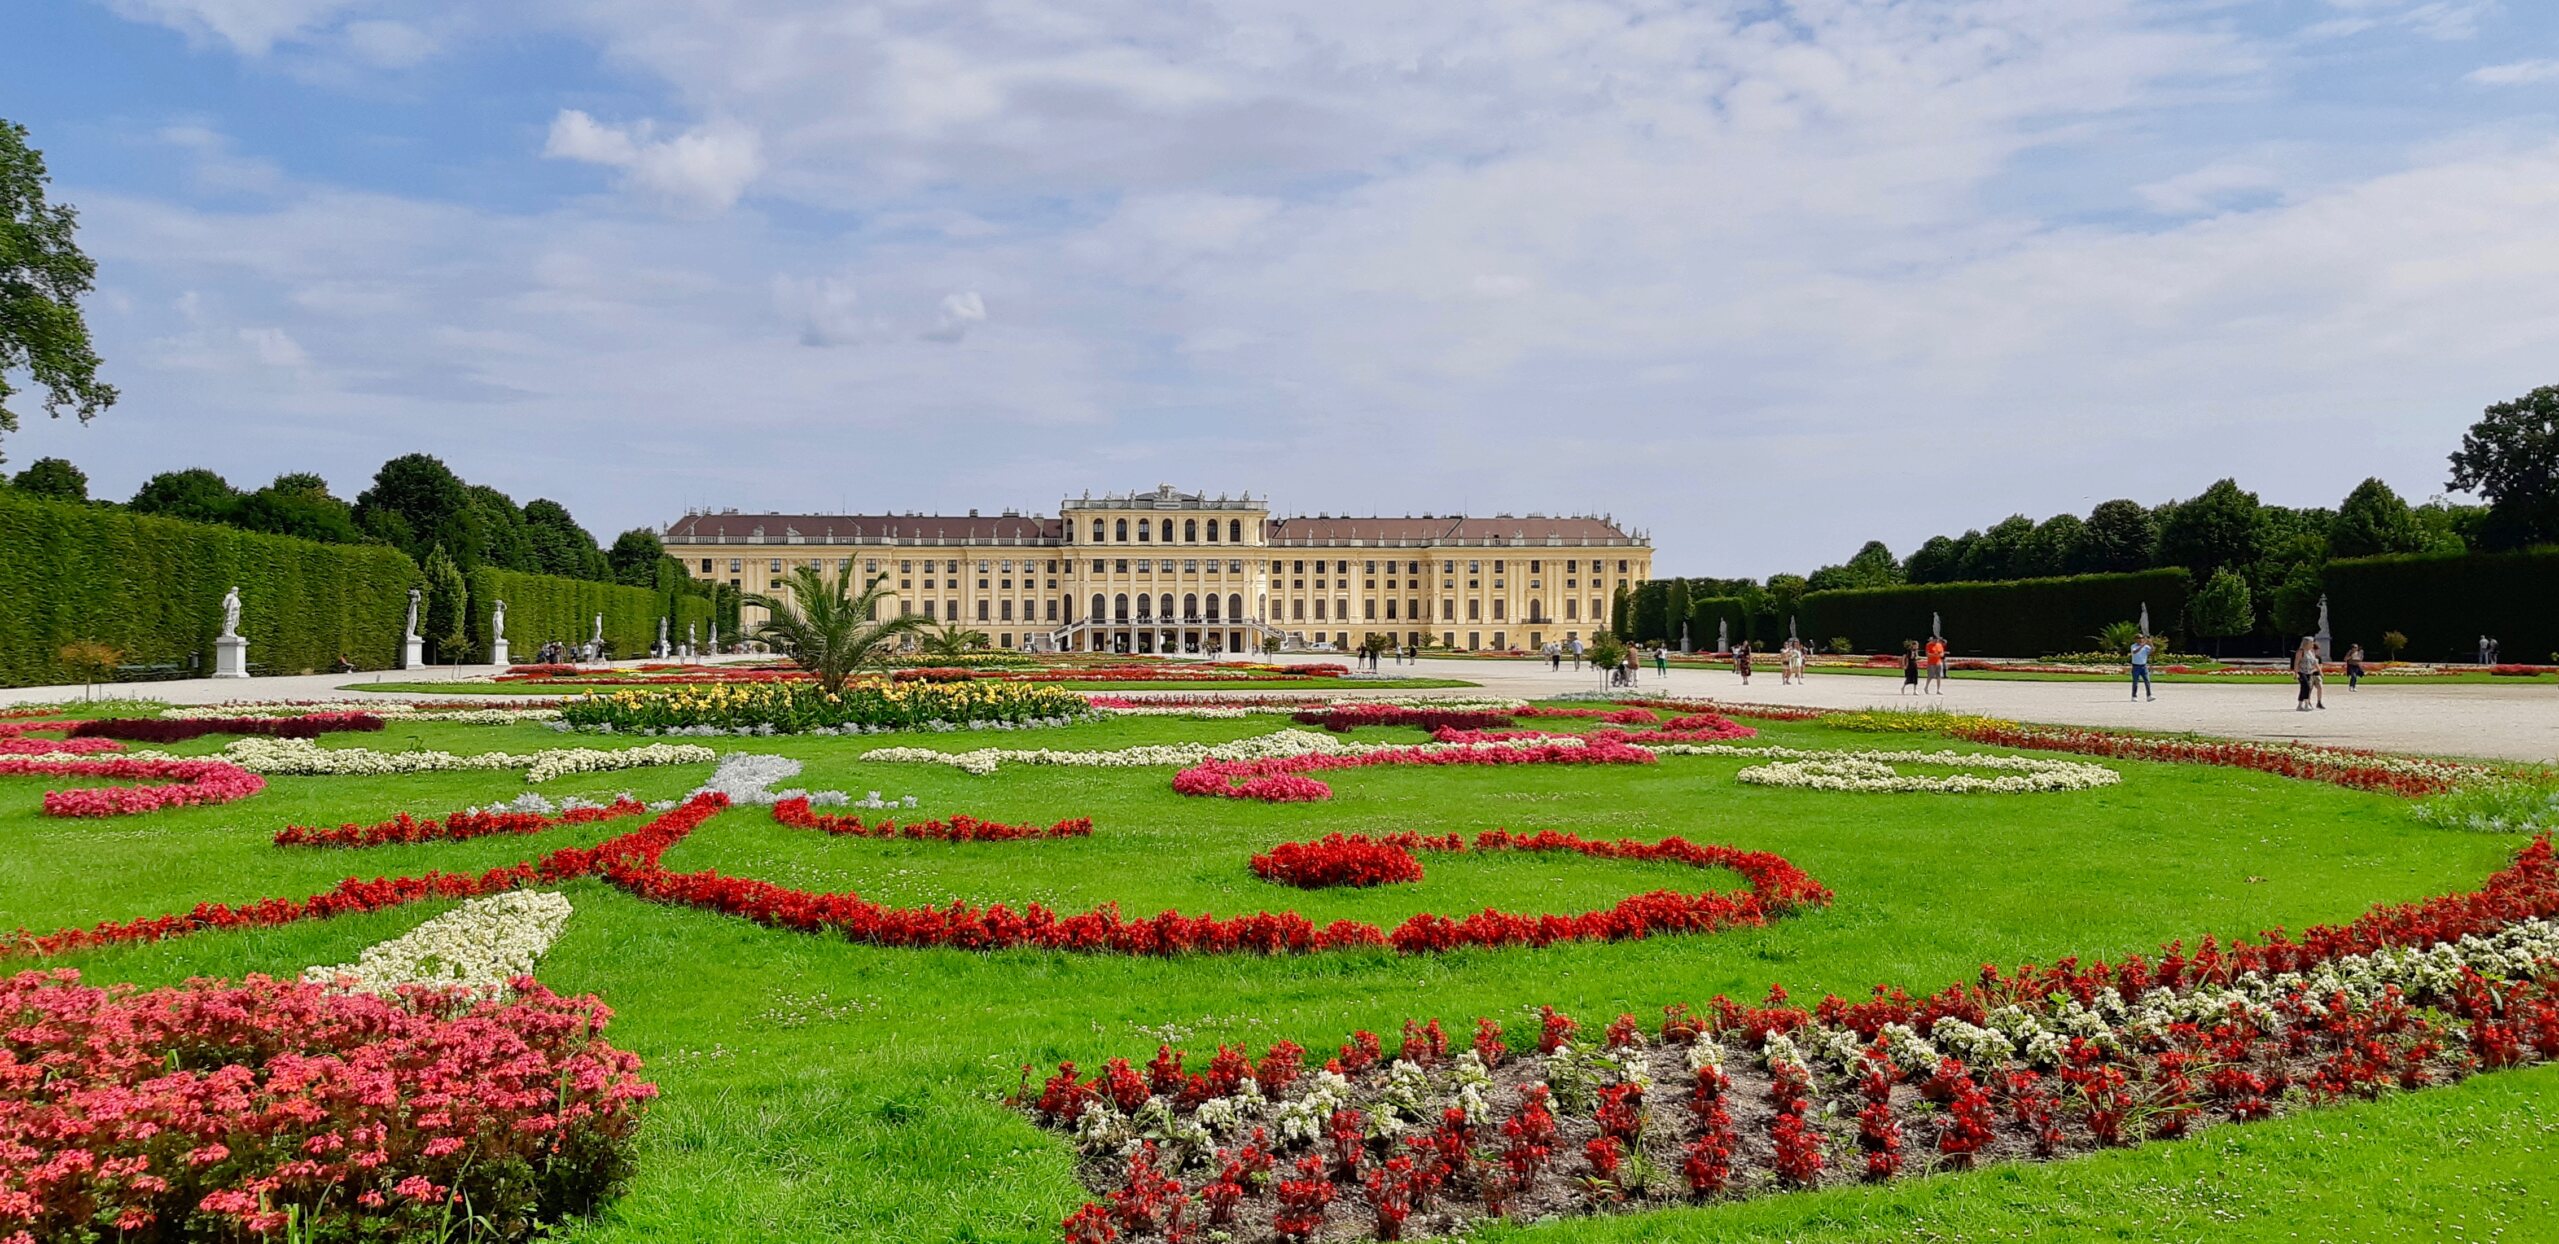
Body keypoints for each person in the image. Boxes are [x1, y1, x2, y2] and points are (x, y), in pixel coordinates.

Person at [2294, 636, 2324, 711]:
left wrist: (2320, 671)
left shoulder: (2311, 652)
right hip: (2301, 672)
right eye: (2311, 642)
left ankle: (2299, 705)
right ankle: (2307, 704)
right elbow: (2296, 663)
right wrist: (2296, 673)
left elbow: (2315, 662)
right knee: (2307, 687)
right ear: (2307, 643)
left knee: (2303, 688)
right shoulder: (2301, 651)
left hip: (2309, 672)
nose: (2313, 644)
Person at [2129, 634, 2154, 702]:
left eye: (2142, 638)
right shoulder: (2133, 646)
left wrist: (2151, 643)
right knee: (2135, 682)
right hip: (2136, 666)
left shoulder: (2146, 646)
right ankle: (2134, 696)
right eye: (2139, 638)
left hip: (2144, 666)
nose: (2140, 639)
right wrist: (2143, 645)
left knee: (2147, 681)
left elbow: (2152, 651)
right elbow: (2135, 652)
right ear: (2135, 639)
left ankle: (2149, 696)